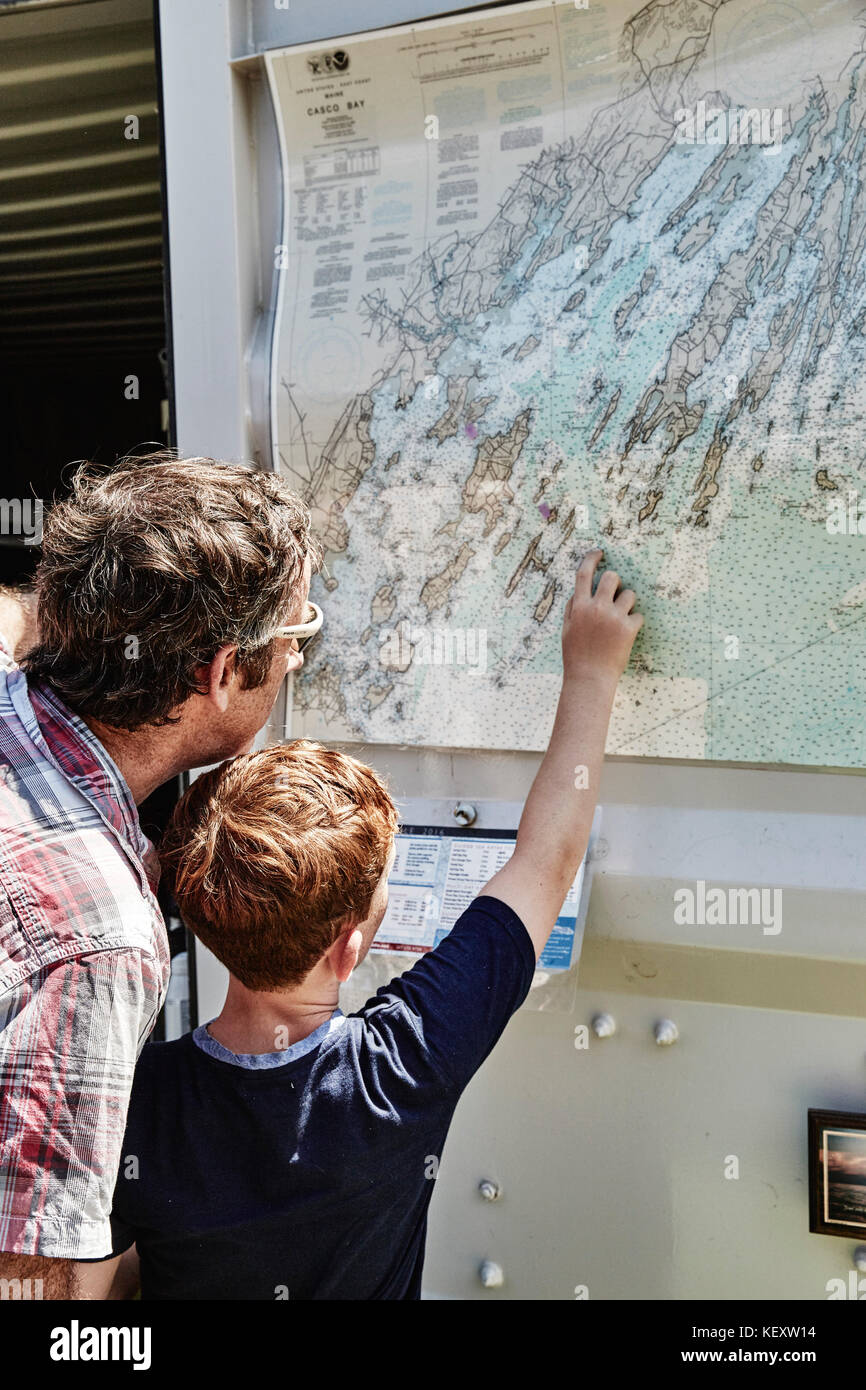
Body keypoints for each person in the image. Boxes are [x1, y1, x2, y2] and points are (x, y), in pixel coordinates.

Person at [90, 549, 642, 1300]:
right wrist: (592, 672)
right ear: (351, 946)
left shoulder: (138, 1097)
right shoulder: (402, 1067)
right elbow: (548, 857)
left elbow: (95, 1287)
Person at [0, 451, 321, 1299]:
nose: (294, 662)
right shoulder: (96, 939)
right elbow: (27, 1279)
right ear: (221, 672)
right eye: (297, 637)